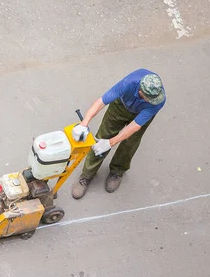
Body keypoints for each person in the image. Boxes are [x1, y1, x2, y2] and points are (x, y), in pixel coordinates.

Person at [71, 69, 166, 199]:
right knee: (102, 138)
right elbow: (101, 102)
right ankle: (87, 175)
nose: (151, 101)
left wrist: (110, 143)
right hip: (120, 106)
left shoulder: (158, 100)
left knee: (130, 143)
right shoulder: (129, 83)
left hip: (141, 113)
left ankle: (117, 171)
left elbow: (135, 126)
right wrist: (84, 123)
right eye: (148, 99)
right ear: (140, 92)